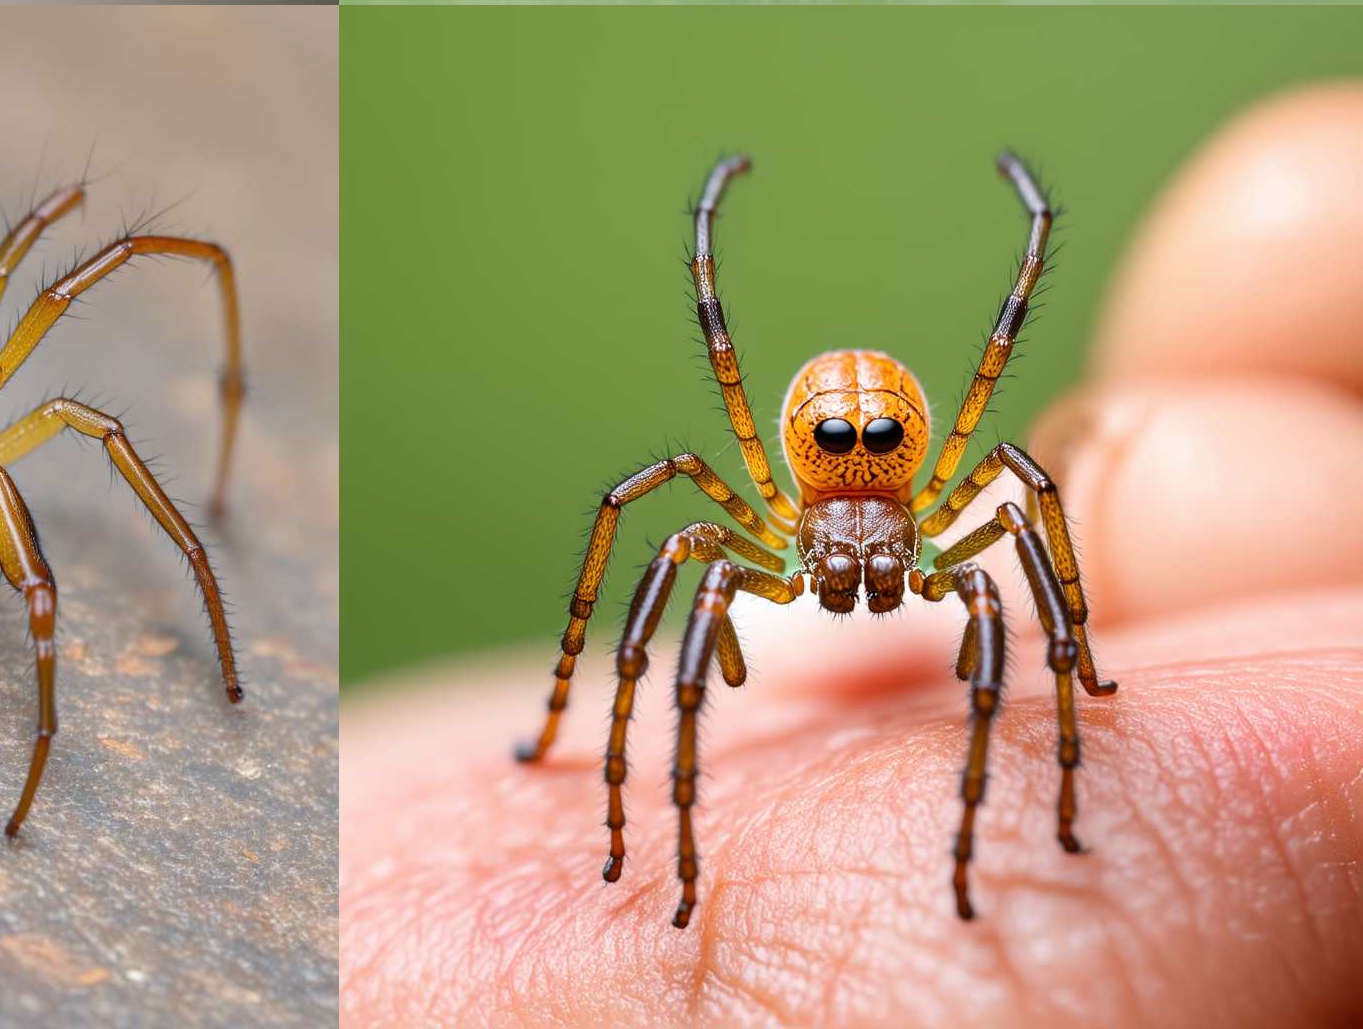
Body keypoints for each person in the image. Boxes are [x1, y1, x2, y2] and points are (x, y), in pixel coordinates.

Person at [340, 87, 1363, 1028]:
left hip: (895, 472)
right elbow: (671, 454)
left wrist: (1073, 653)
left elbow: (1026, 480)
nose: (855, 564)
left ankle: (1020, 756)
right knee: (664, 522)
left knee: (1016, 490)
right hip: (829, 471)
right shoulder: (762, 529)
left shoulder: (945, 522)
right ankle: (612, 758)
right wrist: (613, 748)